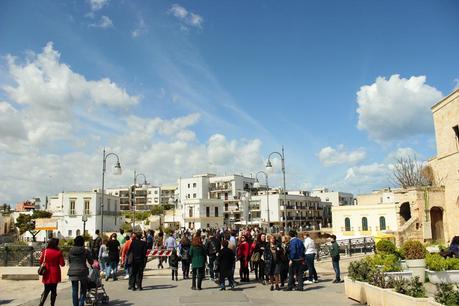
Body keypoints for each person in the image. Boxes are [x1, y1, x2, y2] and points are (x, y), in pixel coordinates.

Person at [39, 238, 65, 306]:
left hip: (46, 272)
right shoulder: (58, 252)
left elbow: (41, 261)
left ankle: (41, 303)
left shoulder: (45, 251)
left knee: (46, 289)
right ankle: (52, 304)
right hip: (55, 272)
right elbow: (62, 264)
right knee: (54, 290)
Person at [68, 235, 93, 306]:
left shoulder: (70, 250)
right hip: (83, 271)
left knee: (74, 289)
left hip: (72, 271)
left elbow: (69, 260)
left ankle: (75, 304)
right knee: (83, 289)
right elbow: (91, 262)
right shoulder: (85, 251)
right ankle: (81, 303)